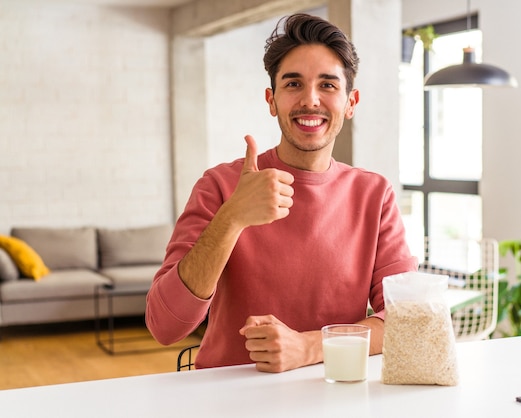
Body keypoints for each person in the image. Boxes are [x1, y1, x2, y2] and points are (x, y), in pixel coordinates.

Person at [146, 13, 417, 373]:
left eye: (328, 85)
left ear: (351, 103)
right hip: (226, 398)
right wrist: (232, 217)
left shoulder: (374, 194)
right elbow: (165, 327)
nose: (310, 100)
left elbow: (406, 317)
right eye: (293, 84)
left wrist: (307, 346)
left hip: (334, 391)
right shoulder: (220, 186)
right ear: (271, 100)